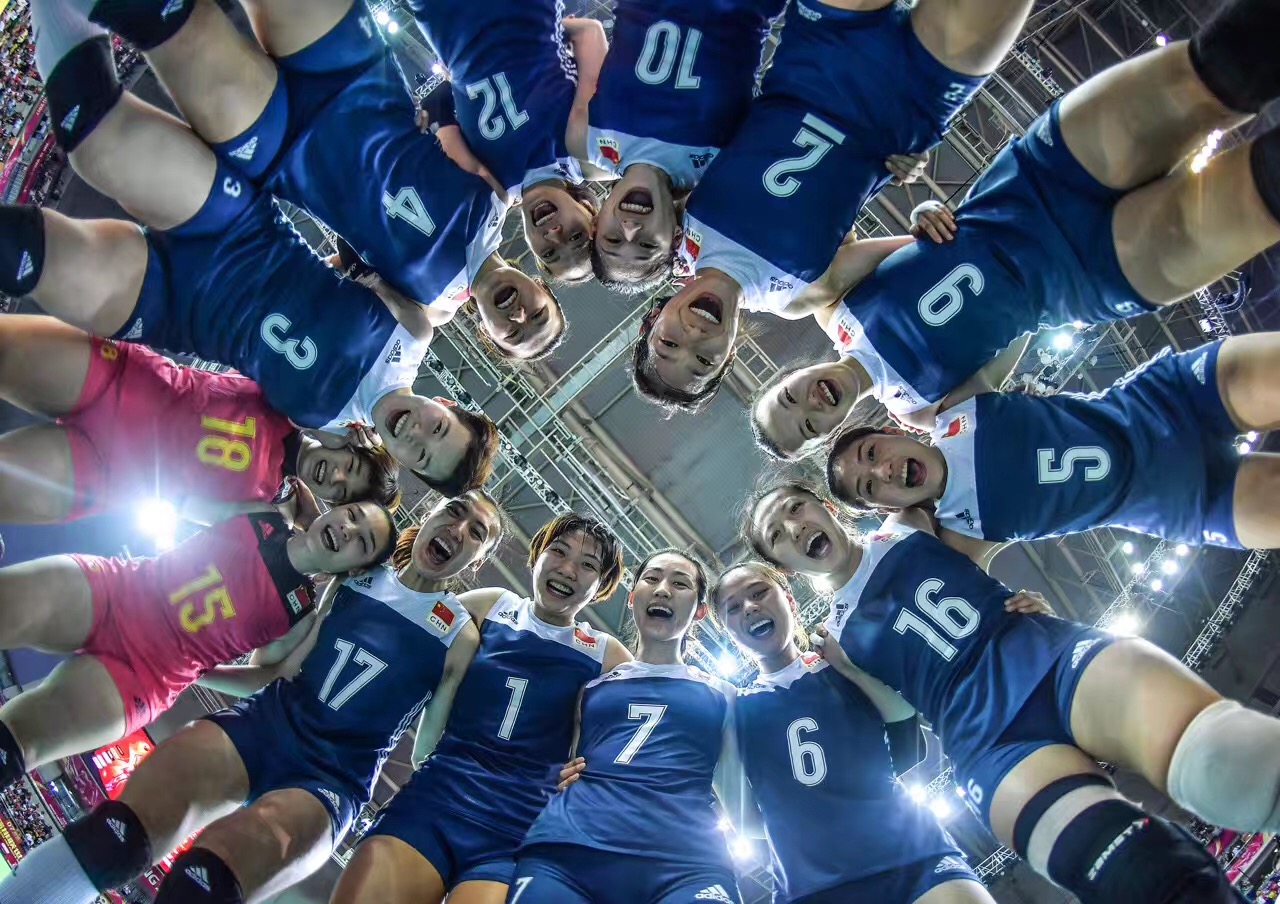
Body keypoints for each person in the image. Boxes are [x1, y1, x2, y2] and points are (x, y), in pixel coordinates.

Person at [1, 13, 500, 493]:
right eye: (438, 429)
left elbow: (283, 491)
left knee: (22, 247)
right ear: (445, 403)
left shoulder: (330, 438)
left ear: (405, 466)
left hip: (176, 310)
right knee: (99, 136)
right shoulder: (413, 328)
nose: (416, 435)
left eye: (421, 456)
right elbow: (366, 241)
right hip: (236, 228)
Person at [752, 0, 1280, 453]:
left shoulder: (830, 301)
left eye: (789, 398)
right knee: (1267, 186)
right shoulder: (925, 413)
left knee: (1221, 71)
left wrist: (924, 215)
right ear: (830, 435)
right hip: (1083, 278)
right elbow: (1007, 355)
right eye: (809, 427)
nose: (810, 405)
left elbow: (914, 242)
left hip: (1027, 190)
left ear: (787, 375)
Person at [746, 479, 1279, 902]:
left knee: (1228, 763)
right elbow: (899, 719)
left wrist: (1018, 595)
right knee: (1139, 874)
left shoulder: (908, 523)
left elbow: (994, 481)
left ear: (825, 506)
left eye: (795, 508)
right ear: (783, 568)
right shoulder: (834, 643)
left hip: (1045, 658)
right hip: (985, 741)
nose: (794, 527)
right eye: (777, 535)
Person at [0, 490, 504, 904]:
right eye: (455, 511)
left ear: (477, 561)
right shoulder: (359, 575)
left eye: (477, 533)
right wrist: (199, 669)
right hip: (266, 723)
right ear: (430, 513)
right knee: (120, 832)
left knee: (206, 882)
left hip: (333, 778)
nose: (459, 529)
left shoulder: (460, 637)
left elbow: (427, 751)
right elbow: (284, 666)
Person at [78, 0, 567, 359]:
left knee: (168, 23)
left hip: (284, 151)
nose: (518, 316)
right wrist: (427, 123)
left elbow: (336, 274)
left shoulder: (425, 313)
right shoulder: (498, 194)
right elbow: (450, 104)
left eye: (514, 333)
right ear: (541, 286)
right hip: (353, 75)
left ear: (488, 335)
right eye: (538, 314)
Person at [633, 0, 1032, 412]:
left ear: (652, 321)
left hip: (823, 42)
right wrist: (920, 206)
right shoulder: (796, 298)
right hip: (909, 105)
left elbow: (651, 154)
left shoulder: (671, 225)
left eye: (669, 343)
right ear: (728, 356)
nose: (694, 335)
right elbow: (924, 247)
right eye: (703, 361)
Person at [0, 490, 395, 793]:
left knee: (17, 743)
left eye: (361, 543)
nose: (348, 530)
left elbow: (265, 676)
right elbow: (185, 493)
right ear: (335, 508)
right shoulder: (260, 511)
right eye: (352, 515)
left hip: (144, 677)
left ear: (355, 569)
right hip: (115, 591)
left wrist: (200, 673)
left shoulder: (300, 616)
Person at [332, 513, 630, 904]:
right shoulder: (488, 606)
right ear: (537, 555)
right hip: (435, 800)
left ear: (602, 586)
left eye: (588, 565)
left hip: (519, 832)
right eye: (559, 551)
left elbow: (648, 736)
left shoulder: (607, 657)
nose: (568, 569)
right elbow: (409, 624)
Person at [825, 336, 1280, 571]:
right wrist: (1023, 606)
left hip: (1166, 400)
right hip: (1181, 501)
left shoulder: (958, 406)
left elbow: (1013, 315)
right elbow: (978, 615)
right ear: (886, 508)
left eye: (871, 453)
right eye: (870, 487)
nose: (883, 471)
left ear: (891, 431)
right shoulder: (961, 535)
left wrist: (928, 224)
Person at [714, 560, 994, 903]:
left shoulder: (842, 662)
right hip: (813, 887)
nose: (749, 607)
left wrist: (849, 668)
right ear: (729, 633)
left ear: (789, 599)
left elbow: (910, 747)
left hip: (910, 855)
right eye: (733, 608)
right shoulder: (733, 711)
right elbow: (745, 822)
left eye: (759, 593)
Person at [0, 314, 401, 525]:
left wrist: (309, 521)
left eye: (341, 492)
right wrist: (340, 422)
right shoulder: (292, 403)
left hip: (105, 475)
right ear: (350, 447)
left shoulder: (270, 506)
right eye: (350, 467)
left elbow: (305, 535)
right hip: (118, 382)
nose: (335, 476)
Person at [513, 549, 750, 903]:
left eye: (680, 583)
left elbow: (742, 810)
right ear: (632, 597)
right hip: (569, 852)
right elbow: (557, 764)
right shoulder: (591, 687)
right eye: (651, 579)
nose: (663, 589)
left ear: (700, 611)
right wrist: (554, 775)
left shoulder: (723, 694)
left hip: (687, 865)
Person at [579, 0, 788, 294]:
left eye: (613, 239)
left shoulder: (589, 143)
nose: (631, 228)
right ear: (676, 237)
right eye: (647, 244)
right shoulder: (720, 165)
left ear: (595, 223)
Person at [410, 1, 607, 284]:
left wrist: (461, 76)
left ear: (531, 247)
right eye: (575, 236)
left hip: (442, 18)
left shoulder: (488, 188)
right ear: (589, 212)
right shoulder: (588, 149)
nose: (554, 234)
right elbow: (589, 32)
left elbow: (434, 107)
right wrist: (544, 33)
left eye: (549, 253)